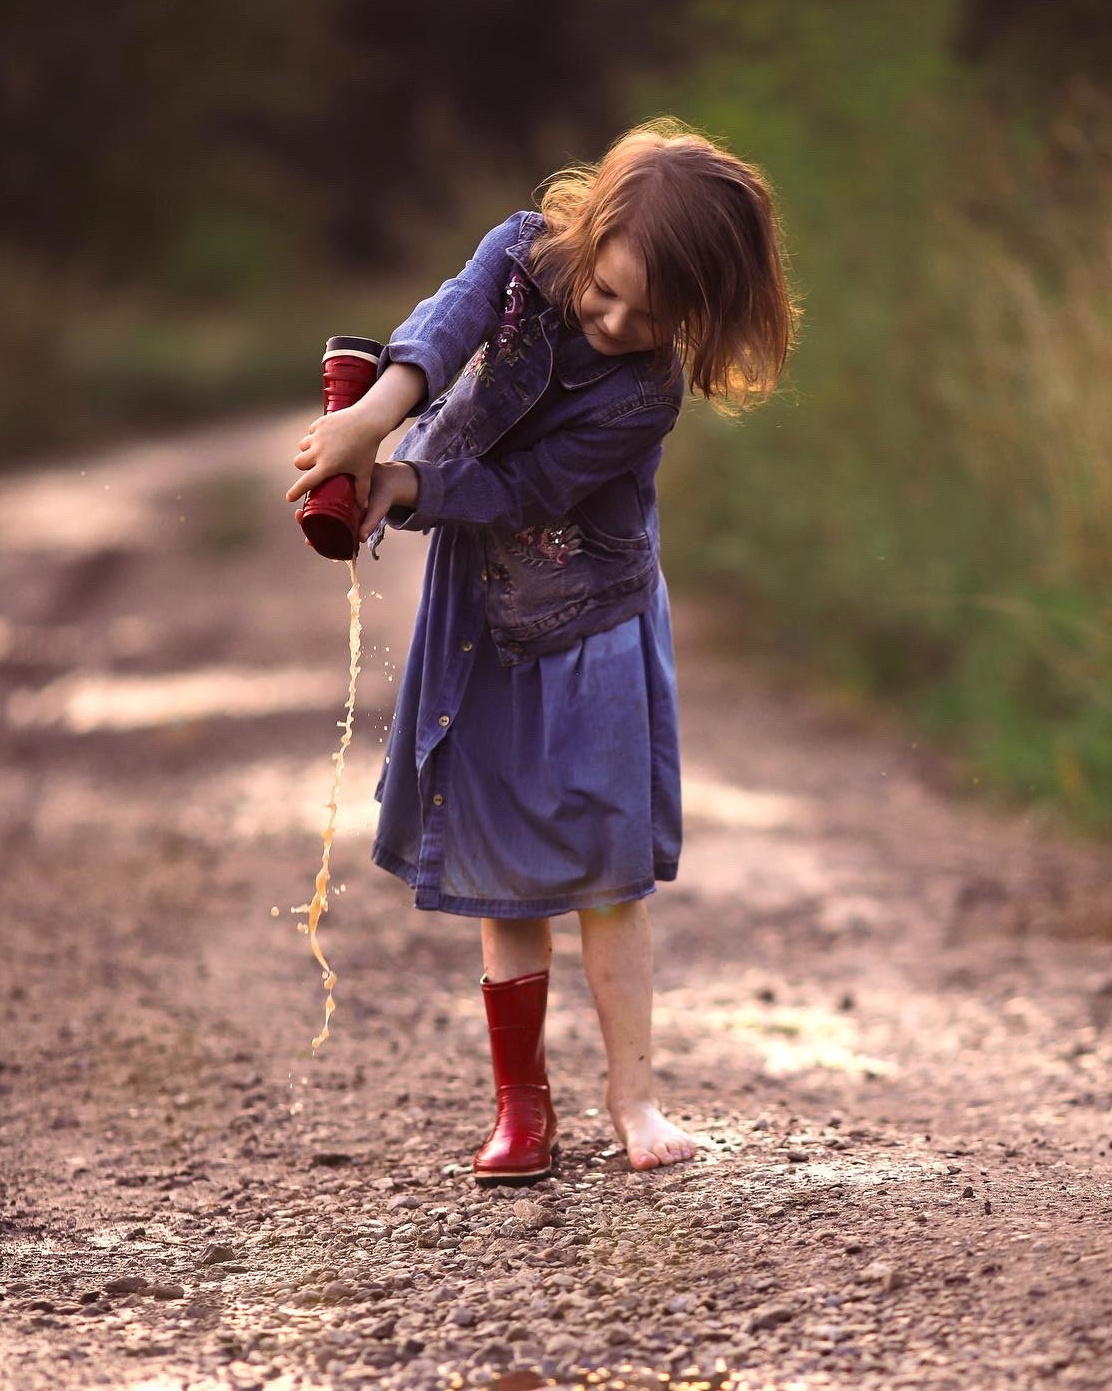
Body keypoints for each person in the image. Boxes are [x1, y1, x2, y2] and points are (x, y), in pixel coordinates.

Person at [288, 117, 797, 1182]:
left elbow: (530, 486)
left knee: (607, 874)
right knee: (500, 873)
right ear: (588, 229)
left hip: (592, 627)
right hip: (483, 617)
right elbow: (442, 328)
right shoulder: (522, 254)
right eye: (604, 292)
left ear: (695, 315)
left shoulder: (645, 394)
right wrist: (370, 423)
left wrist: (405, 483)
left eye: (649, 316)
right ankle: (520, 1107)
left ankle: (634, 1097)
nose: (614, 322)